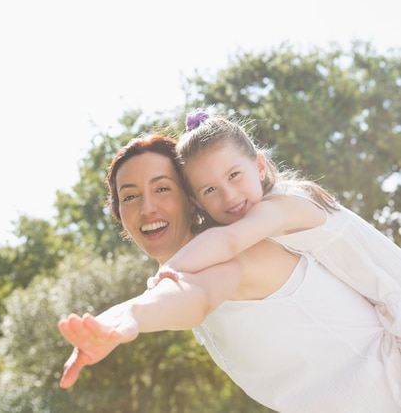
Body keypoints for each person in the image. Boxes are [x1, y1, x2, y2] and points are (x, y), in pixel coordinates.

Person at [58, 132, 401, 412]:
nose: (148, 207)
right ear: (119, 216)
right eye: (129, 196)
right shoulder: (211, 254)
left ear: (190, 200)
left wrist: (135, 311)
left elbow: (198, 295)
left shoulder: (240, 250)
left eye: (162, 188)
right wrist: (114, 319)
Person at [149, 108, 401, 348]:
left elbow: (228, 241)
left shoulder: (282, 205)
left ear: (259, 167)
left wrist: (171, 268)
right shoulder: (267, 218)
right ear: (197, 202)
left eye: (234, 175)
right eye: (210, 190)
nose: (229, 196)